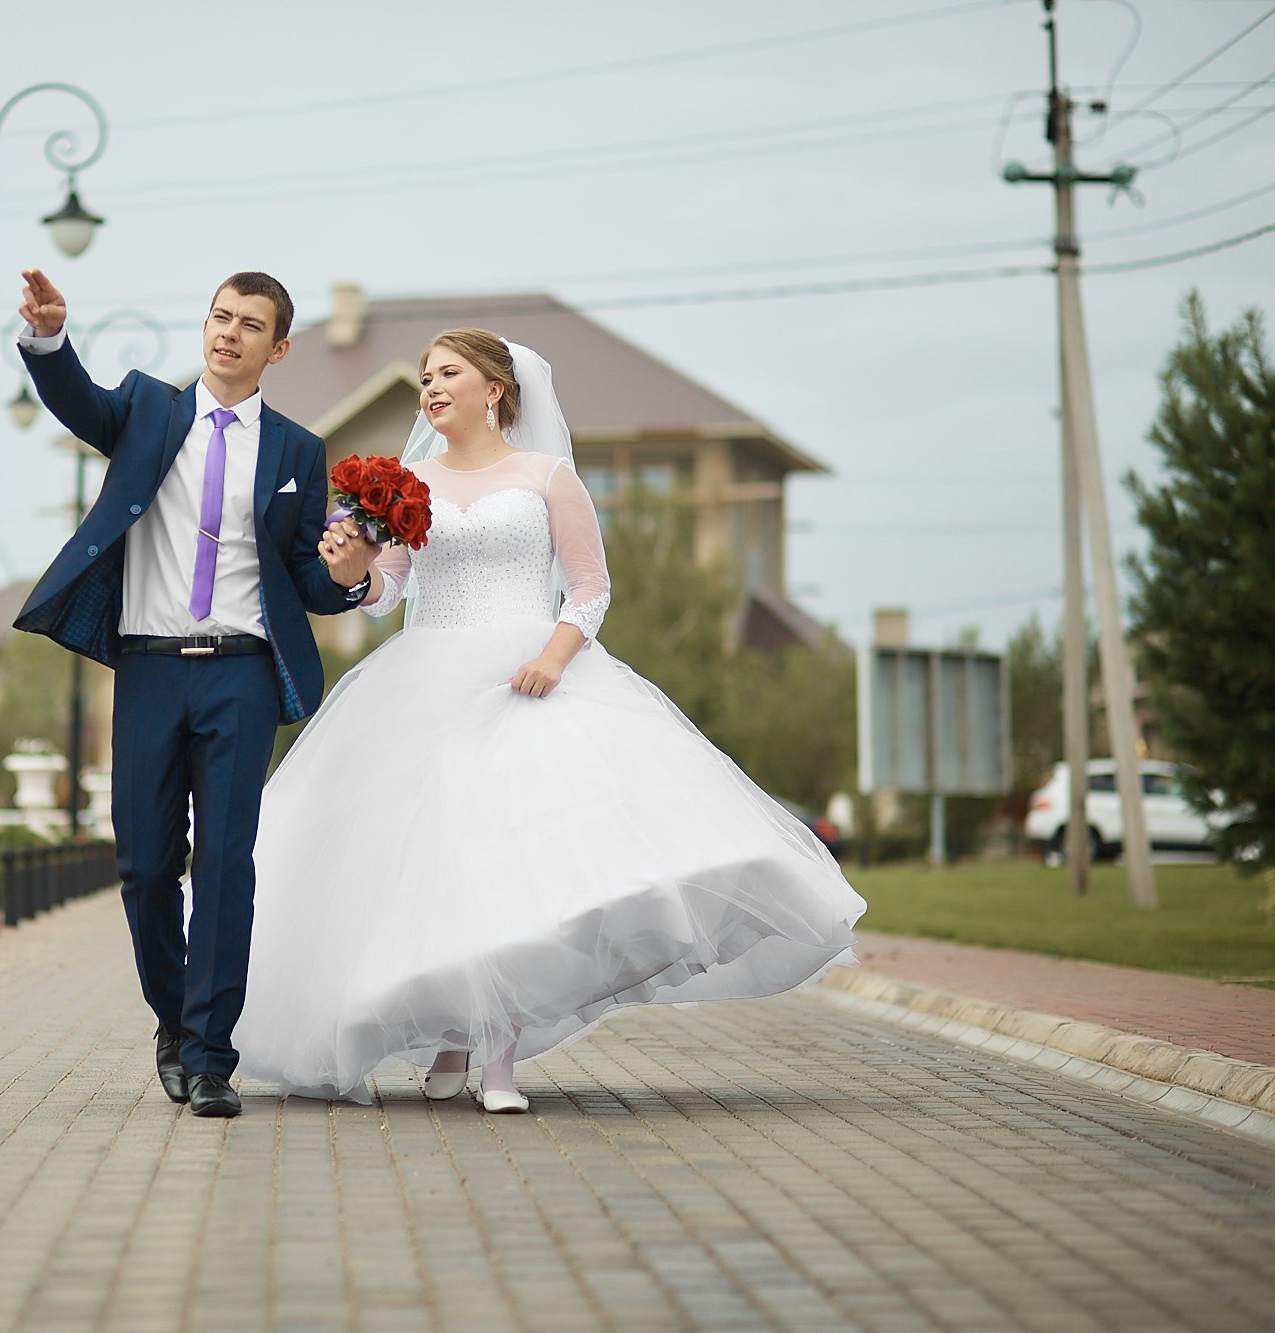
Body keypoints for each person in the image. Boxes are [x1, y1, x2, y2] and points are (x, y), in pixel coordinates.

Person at [233, 330, 867, 1111]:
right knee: (440, 866)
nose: (430, 388)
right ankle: (450, 1037)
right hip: (424, 679)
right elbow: (388, 591)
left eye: (448, 374)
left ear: (494, 387)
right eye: (425, 376)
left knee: (512, 866)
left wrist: (554, 658)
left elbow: (590, 589)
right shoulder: (403, 482)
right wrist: (351, 572)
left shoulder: (547, 477)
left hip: (527, 675)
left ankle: (497, 1058)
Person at [13, 268, 376, 1118]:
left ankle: (212, 1056)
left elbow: (306, 582)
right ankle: (174, 1021)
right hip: (148, 665)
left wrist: (349, 580)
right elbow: (77, 402)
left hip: (242, 673)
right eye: (220, 317)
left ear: (278, 347)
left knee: (223, 865)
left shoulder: (295, 450)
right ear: (204, 325)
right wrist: (49, 339)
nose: (230, 333)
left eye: (251, 325)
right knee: (144, 863)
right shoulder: (146, 409)